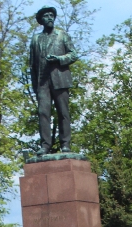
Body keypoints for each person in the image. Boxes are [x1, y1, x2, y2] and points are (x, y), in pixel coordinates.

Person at [29, 6, 78, 154]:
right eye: (46, 16)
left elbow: (73, 54)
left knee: (63, 113)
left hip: (60, 79)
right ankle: (45, 145)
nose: (50, 17)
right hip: (42, 82)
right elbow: (32, 65)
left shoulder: (62, 35)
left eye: (51, 15)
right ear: (41, 20)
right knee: (43, 113)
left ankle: (65, 144)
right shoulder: (36, 39)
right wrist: (35, 86)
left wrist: (59, 59)